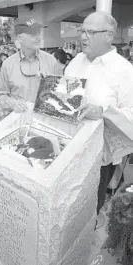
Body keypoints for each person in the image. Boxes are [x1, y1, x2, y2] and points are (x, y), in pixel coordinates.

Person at [65, 12, 133, 228]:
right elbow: (65, 95)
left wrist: (102, 111)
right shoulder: (76, 62)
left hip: (99, 156)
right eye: (82, 31)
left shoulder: (125, 71)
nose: (83, 37)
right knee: (68, 205)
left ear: (109, 35)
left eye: (91, 32)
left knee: (89, 207)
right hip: (68, 148)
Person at [0, 18, 57, 113]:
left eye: (38, 33)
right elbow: (1, 96)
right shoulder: (8, 64)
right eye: (33, 34)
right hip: (19, 121)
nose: (38, 38)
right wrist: (13, 103)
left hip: (45, 120)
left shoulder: (51, 61)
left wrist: (49, 84)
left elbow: (61, 94)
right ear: (20, 38)